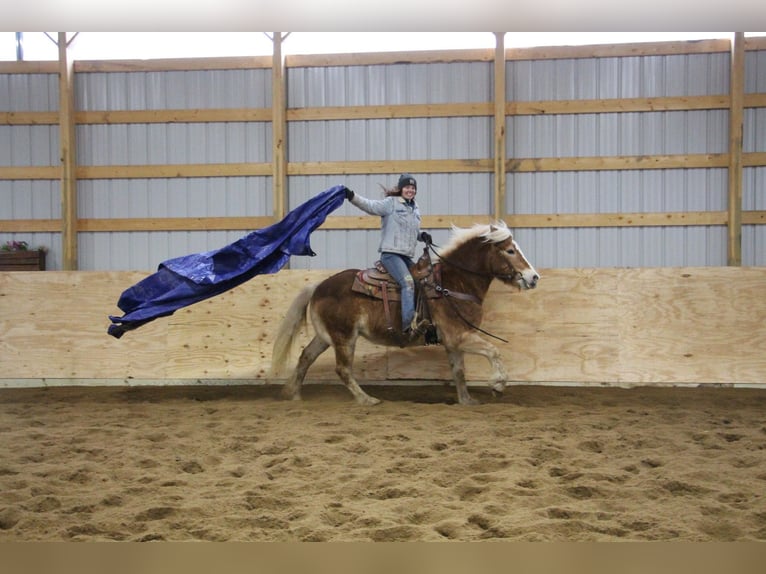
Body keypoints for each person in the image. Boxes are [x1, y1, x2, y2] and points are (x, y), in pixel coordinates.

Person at [345, 174, 433, 339]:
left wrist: (422, 236)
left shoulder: (415, 207)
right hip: (391, 255)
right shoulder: (390, 203)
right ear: (401, 188)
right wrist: (352, 196)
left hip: (406, 256)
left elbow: (411, 231)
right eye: (407, 187)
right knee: (407, 283)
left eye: (413, 188)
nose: (410, 190)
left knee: (423, 282)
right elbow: (370, 206)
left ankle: (425, 323)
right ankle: (408, 326)